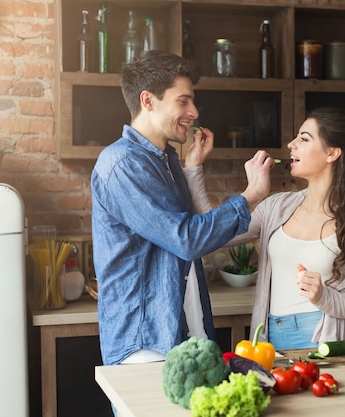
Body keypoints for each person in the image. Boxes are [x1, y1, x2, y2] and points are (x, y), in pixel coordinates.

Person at [91, 50, 274, 367]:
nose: (193, 111)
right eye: (183, 101)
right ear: (148, 101)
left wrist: (191, 169)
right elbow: (186, 239)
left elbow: (197, 231)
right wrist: (251, 195)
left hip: (185, 335)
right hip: (146, 345)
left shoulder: (167, 160)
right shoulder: (122, 164)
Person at [195, 106, 345, 350]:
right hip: (270, 338)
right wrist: (194, 167)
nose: (290, 144)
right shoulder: (276, 207)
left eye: (304, 138)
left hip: (324, 340)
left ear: (332, 153)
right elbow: (211, 232)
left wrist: (324, 297)